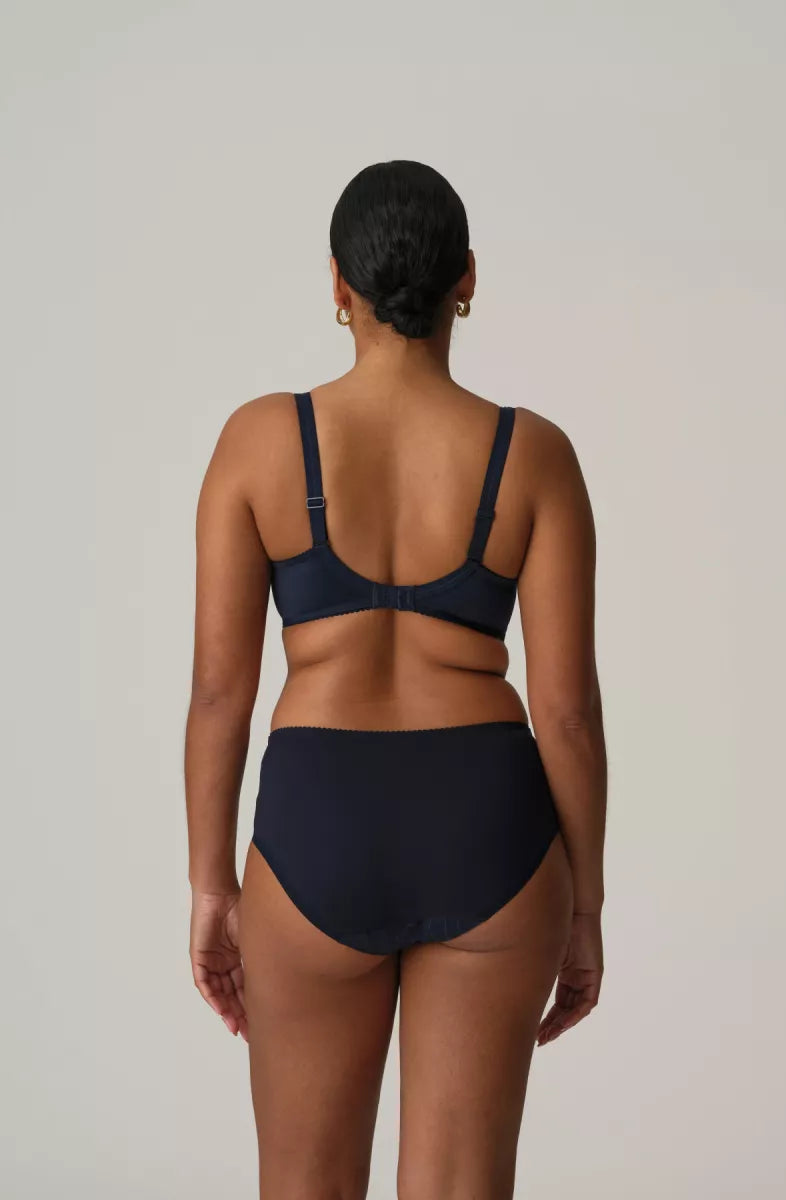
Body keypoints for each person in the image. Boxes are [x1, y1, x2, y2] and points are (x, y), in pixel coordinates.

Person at [184, 159, 607, 1199]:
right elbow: (565, 713)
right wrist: (584, 906)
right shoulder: (533, 454)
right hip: (489, 832)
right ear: (467, 278)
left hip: (317, 827)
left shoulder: (259, 441)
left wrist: (210, 885)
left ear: (338, 283)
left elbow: (219, 698)